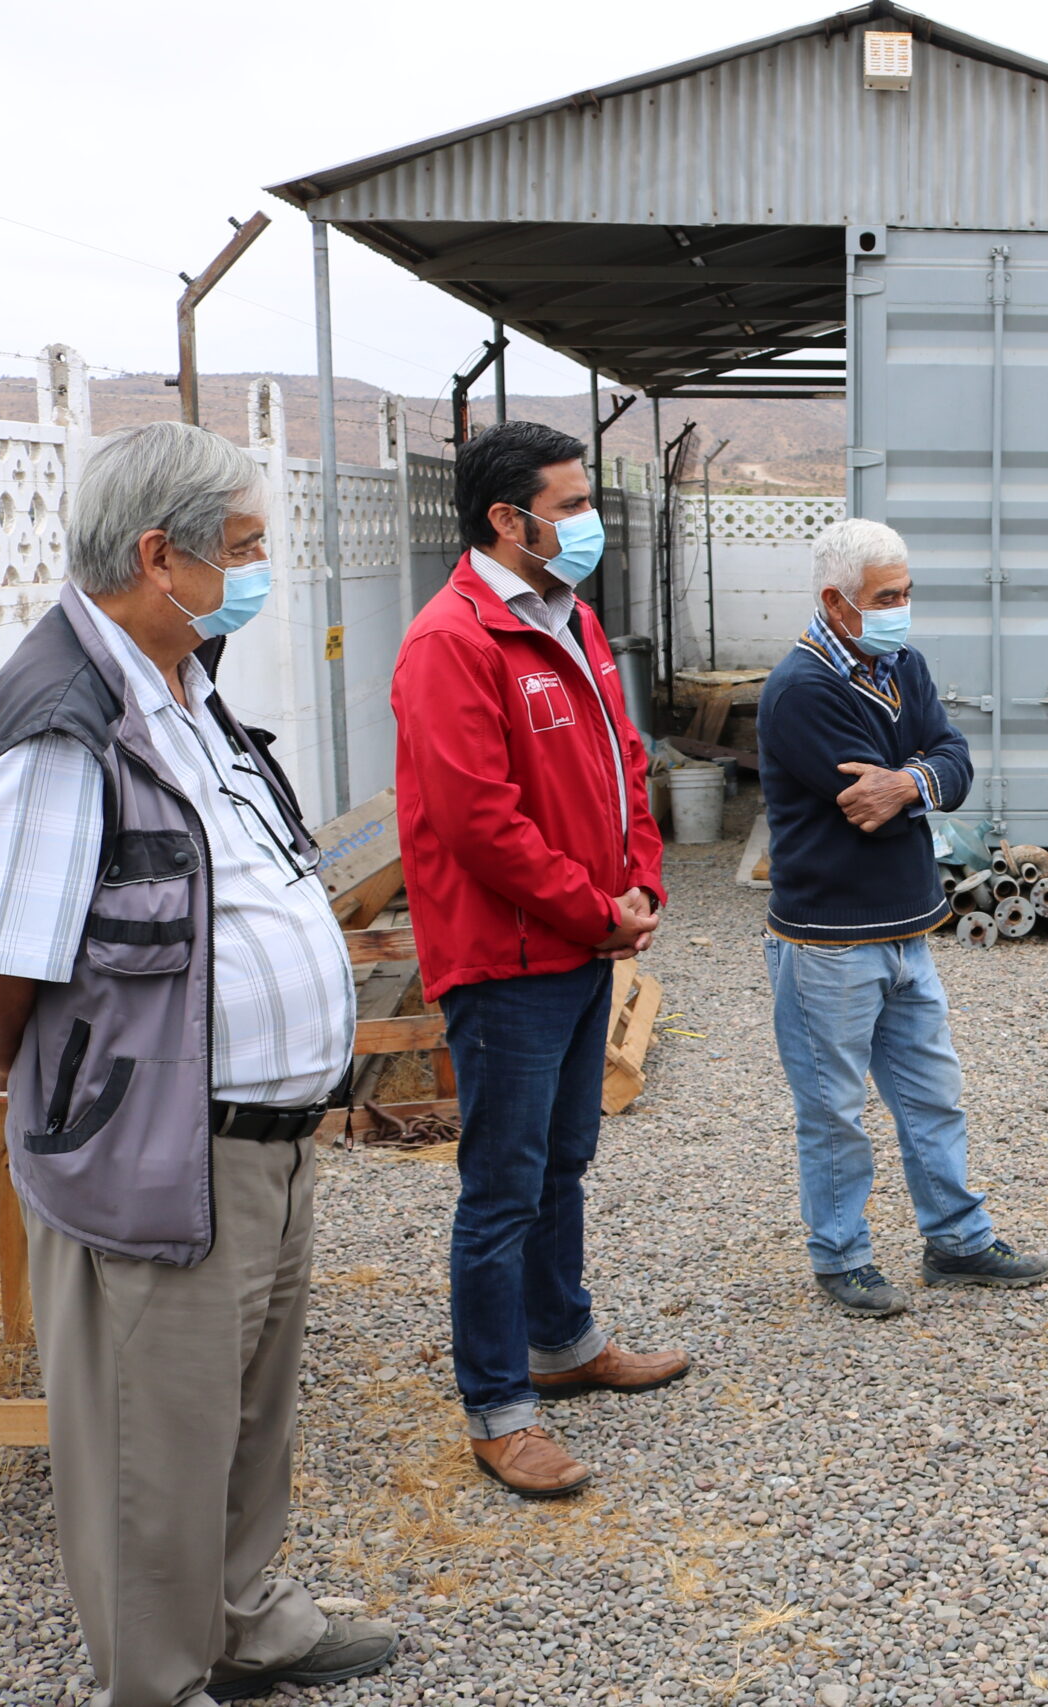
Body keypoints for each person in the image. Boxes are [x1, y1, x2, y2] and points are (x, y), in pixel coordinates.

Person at [0, 422, 396, 1704]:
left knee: (241, 1421)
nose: (257, 572)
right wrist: (96, 1093)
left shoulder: (184, 684)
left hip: (263, 1143)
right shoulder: (60, 722)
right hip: (160, 1150)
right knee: (149, 1447)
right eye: (241, 549)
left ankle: (245, 1624)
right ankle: (157, 1681)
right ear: (159, 555)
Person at [392, 421, 687, 1500]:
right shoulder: (453, 641)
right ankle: (497, 1407)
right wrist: (593, 909)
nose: (583, 521)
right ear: (505, 521)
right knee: (502, 1186)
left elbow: (624, 762)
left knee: (564, 1161)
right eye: (566, 506)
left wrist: (643, 882)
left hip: (580, 941)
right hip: (510, 959)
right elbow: (479, 822)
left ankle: (563, 1345)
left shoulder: (571, 619)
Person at [758, 517, 1048, 1316]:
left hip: (905, 929)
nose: (902, 608)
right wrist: (922, 777)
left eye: (906, 592)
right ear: (836, 601)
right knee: (834, 1111)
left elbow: (953, 761)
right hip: (827, 942)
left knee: (933, 1095)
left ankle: (956, 1239)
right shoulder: (801, 688)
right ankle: (841, 1254)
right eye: (887, 597)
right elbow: (862, 798)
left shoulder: (901, 665)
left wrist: (912, 780)